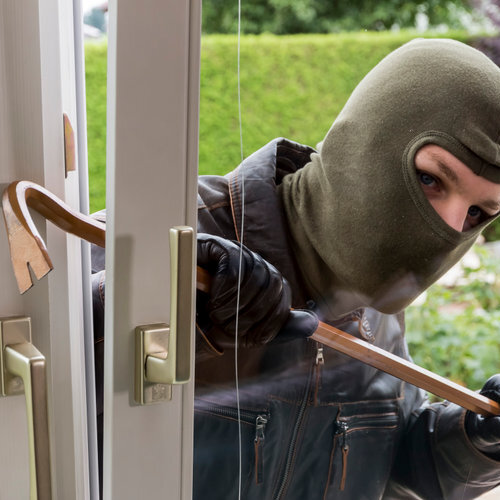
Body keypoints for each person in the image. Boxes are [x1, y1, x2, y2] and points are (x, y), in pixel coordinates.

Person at [92, 38, 500, 498]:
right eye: (430, 179)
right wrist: (180, 310)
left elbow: (391, 462)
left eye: (476, 214)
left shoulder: (375, 303)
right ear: (366, 144)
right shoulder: (172, 234)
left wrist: (480, 438)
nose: (447, 228)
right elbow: (33, 390)